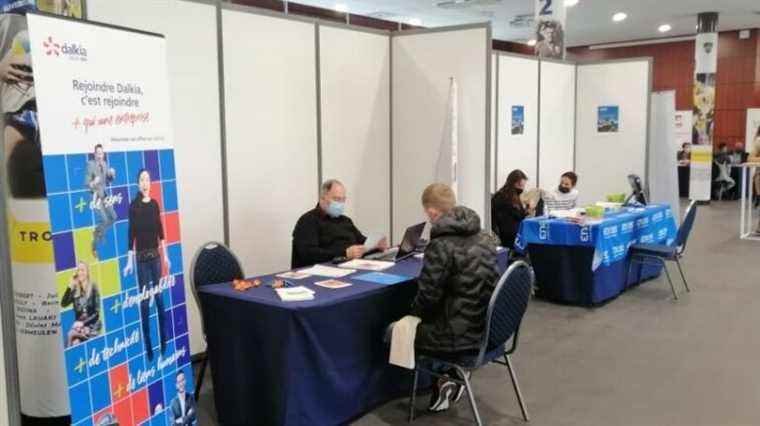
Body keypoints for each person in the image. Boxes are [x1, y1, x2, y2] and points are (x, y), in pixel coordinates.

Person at [399, 183, 499, 412]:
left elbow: (428, 296)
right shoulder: (485, 237)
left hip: (456, 334)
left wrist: (411, 313)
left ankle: (443, 377)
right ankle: (452, 373)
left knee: (399, 328)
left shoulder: (441, 244)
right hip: (485, 326)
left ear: (432, 212)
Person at [122, 169, 170, 361]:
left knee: (158, 299)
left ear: (150, 183)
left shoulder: (155, 205)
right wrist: (128, 262)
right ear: (137, 184)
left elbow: (161, 232)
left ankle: (164, 341)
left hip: (156, 258)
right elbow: (130, 235)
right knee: (143, 303)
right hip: (141, 260)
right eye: (141, 179)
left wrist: (165, 256)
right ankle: (149, 346)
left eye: (147, 180)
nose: (145, 183)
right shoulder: (133, 207)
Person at [291, 179, 387, 268]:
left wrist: (375, 245)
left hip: (350, 268)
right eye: (336, 199)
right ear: (322, 198)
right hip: (321, 273)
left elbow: (362, 242)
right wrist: (344, 253)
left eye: (343, 200)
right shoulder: (308, 220)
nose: (340, 203)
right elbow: (309, 254)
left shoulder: (346, 221)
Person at [61, 261, 102, 347]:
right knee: (75, 343)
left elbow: (96, 313)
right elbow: (63, 303)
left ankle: (69, 357)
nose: (80, 273)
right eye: (78, 270)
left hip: (92, 326)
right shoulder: (75, 291)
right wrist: (70, 286)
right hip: (79, 329)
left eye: (82, 270)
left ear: (87, 273)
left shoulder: (93, 287)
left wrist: (82, 323)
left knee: (70, 335)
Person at [87, 144, 117, 257]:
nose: (100, 156)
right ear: (95, 155)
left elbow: (107, 181)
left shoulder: (105, 164)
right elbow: (87, 184)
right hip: (95, 196)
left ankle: (98, 231)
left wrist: (112, 176)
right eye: (97, 153)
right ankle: (94, 245)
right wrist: (93, 182)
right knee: (104, 220)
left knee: (113, 217)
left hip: (103, 195)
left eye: (101, 153)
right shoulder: (90, 165)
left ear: (103, 154)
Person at [492, 169, 532, 249]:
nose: (522, 189)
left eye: (523, 186)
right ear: (513, 183)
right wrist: (527, 210)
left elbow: (519, 215)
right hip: (508, 237)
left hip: (512, 234)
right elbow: (517, 215)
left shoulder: (511, 195)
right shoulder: (502, 197)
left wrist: (527, 210)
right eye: (520, 185)